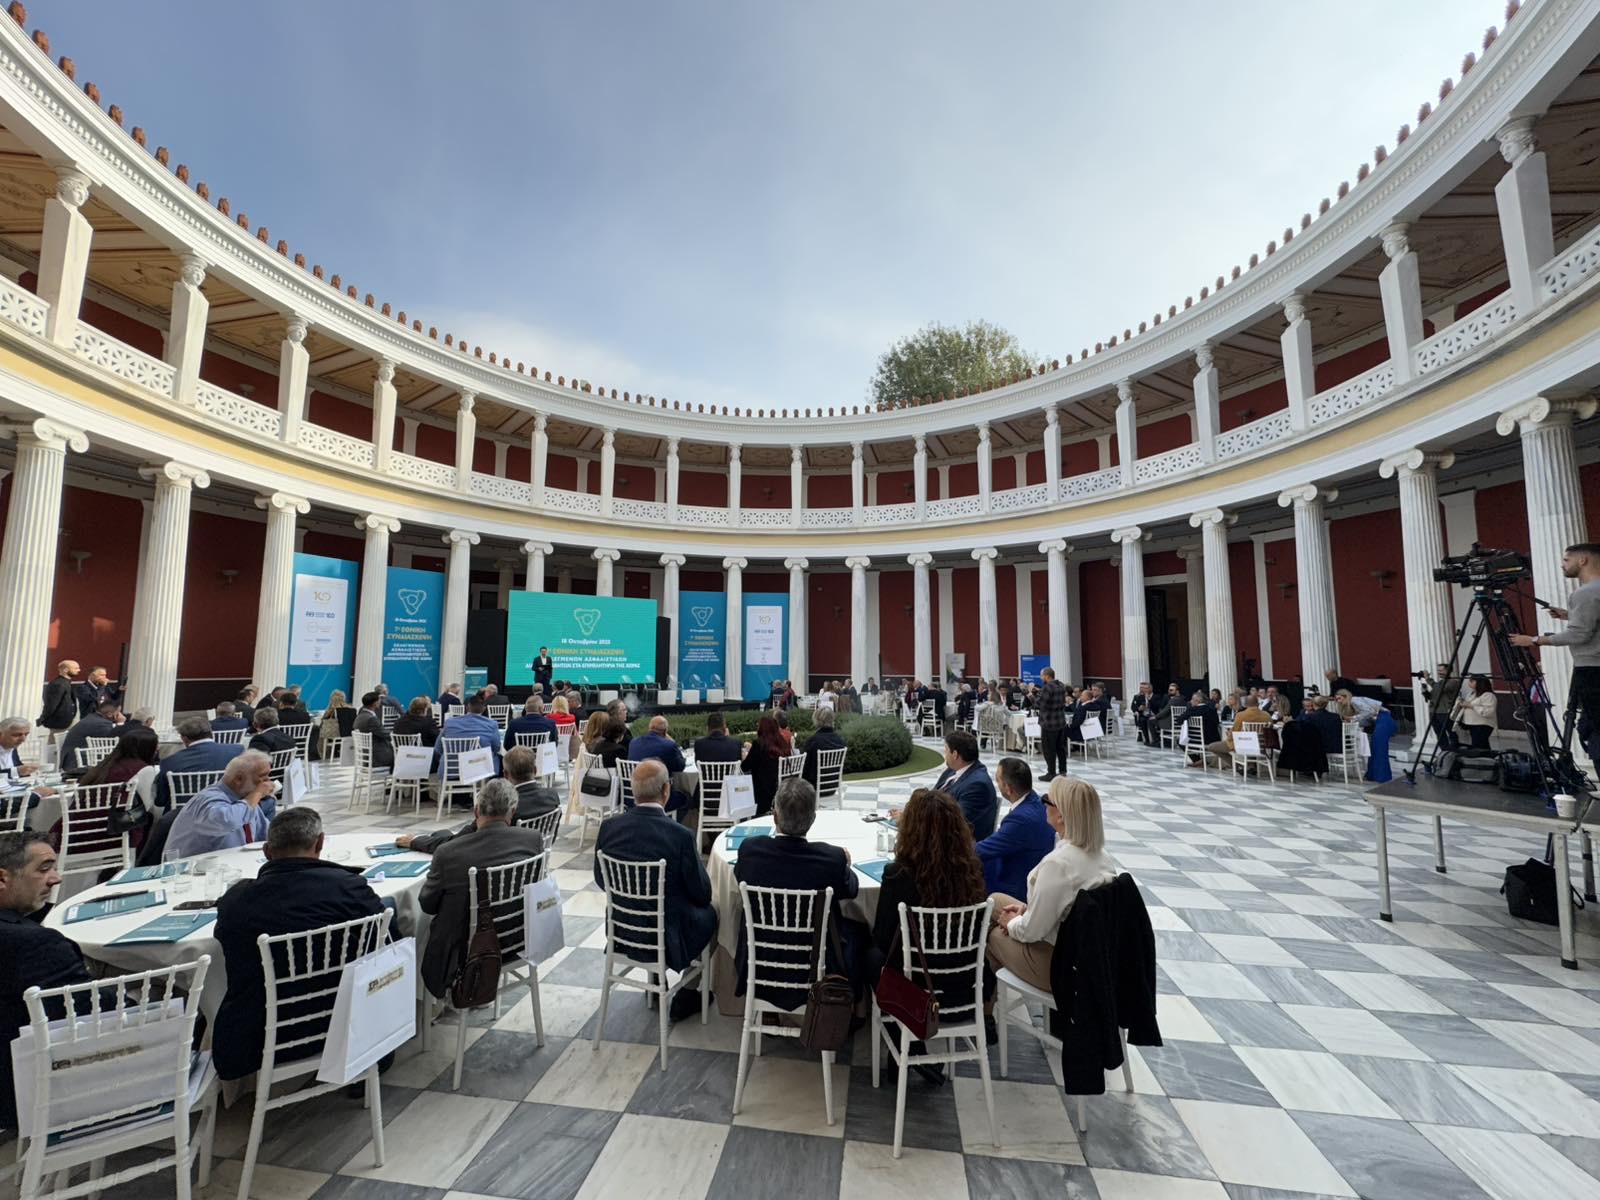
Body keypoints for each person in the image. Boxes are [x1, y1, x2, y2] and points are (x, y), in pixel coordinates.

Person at [211, 807, 384, 1080]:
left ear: (267, 851)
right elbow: (386, 943)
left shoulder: (237, 902)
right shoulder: (349, 888)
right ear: (320, 843)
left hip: (258, 1036)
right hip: (346, 1023)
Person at [868, 788, 987, 1083]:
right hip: (963, 983)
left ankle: (906, 1042)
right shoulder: (971, 872)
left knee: (869, 956)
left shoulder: (898, 875)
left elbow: (882, 938)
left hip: (914, 989)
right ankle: (911, 1048)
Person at [593, 760, 717, 1019]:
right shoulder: (680, 835)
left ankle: (656, 978)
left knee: (658, 904)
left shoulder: (609, 828)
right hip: (668, 937)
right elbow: (702, 894)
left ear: (633, 790)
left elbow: (601, 879)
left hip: (622, 929)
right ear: (666, 790)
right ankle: (688, 993)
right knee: (714, 914)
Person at [733, 778, 864, 1001]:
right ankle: (855, 1007)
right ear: (813, 819)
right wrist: (846, 865)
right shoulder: (831, 859)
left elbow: (738, 877)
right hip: (817, 964)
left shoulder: (750, 851)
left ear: (775, 816)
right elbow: (851, 890)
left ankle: (769, 1009)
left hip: (760, 960)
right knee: (859, 931)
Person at [986, 776, 1117, 998]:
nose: (1042, 804)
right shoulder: (1102, 857)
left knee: (991, 935)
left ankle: (988, 1008)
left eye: (1046, 800)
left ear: (1061, 815)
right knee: (996, 900)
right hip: (1085, 949)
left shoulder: (1059, 864)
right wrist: (1026, 911)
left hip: (1060, 964)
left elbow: (1031, 932)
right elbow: (1065, 905)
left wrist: (1013, 923)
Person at [417, 777, 546, 999]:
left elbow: (427, 905)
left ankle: (422, 1002)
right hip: (518, 938)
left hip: (467, 951)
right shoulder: (533, 840)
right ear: (512, 812)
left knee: (420, 930)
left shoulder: (448, 853)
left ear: (476, 811)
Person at [0, 831, 96, 1128]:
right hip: (33, 1091)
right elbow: (91, 1011)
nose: (56, 879)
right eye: (43, 869)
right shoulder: (36, 944)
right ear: (3, 878)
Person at [1512, 542, 1600, 754]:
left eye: (1566, 560)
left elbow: (1579, 634)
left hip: (1592, 670)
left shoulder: (1584, 593)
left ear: (1583, 560)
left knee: (1594, 731)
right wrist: (1570, 615)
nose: (1562, 565)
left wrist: (1534, 640)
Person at [401, 747, 559, 853]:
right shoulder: (552, 796)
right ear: (535, 770)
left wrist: (415, 841)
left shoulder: (503, 804)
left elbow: (457, 842)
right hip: (532, 857)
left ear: (505, 774)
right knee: (441, 834)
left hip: (493, 857)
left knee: (440, 835)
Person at [163, 750, 278, 858]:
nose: (267, 783)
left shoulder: (247, 800)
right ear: (238, 779)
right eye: (262, 778)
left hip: (233, 863)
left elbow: (267, 834)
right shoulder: (208, 798)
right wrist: (258, 793)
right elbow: (227, 821)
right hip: (189, 868)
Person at [975, 757, 1055, 900]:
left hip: (1014, 887)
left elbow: (981, 850)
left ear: (1008, 788)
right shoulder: (1038, 802)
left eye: (998, 780)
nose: (996, 783)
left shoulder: (1020, 820)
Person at [153, 715, 243, 809]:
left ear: (184, 739)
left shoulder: (169, 762)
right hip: (227, 808)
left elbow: (160, 800)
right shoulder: (237, 751)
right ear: (211, 733)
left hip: (183, 812)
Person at [930, 730, 997, 839]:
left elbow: (956, 822)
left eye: (946, 750)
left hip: (955, 841)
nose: (945, 754)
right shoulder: (952, 769)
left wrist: (916, 820)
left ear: (955, 754)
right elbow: (932, 796)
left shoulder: (978, 785)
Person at [628, 715, 689, 812]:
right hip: (660, 797)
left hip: (634, 795)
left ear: (649, 728)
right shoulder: (669, 746)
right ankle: (669, 821)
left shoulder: (633, 742)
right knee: (688, 798)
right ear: (665, 731)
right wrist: (673, 742)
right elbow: (680, 767)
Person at [58, 697, 122, 777]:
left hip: (70, 757)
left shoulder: (92, 718)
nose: (120, 715)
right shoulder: (101, 724)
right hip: (76, 761)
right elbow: (114, 740)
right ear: (109, 714)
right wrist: (121, 723)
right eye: (118, 712)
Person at [1206, 694, 1270, 769]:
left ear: (1246, 704)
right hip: (1261, 745)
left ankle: (1237, 766)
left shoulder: (1241, 715)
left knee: (1211, 747)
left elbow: (1234, 732)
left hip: (1244, 744)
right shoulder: (1267, 715)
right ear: (1258, 704)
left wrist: (1228, 734)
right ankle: (1251, 765)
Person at [742, 714, 786, 816]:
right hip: (780, 788)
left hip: (761, 793)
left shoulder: (759, 744)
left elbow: (745, 767)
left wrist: (745, 756)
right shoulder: (782, 742)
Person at [800, 705, 846, 789]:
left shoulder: (813, 741)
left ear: (817, 721)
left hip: (813, 787)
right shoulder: (840, 741)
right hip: (833, 785)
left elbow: (804, 766)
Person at [1037, 667, 1068, 781]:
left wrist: (1033, 696)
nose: (1041, 678)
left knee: (1049, 749)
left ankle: (1051, 772)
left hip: (1049, 722)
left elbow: (1040, 704)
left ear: (1046, 676)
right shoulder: (1061, 685)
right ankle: (1063, 770)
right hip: (1060, 721)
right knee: (1060, 748)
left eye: (1042, 676)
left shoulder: (1047, 687)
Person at [1422, 663, 1462, 752]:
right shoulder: (1439, 683)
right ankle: (1444, 750)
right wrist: (1425, 692)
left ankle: (1455, 750)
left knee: (1451, 731)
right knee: (1439, 733)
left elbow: (1442, 689)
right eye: (1438, 670)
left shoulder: (1454, 682)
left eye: (1441, 670)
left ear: (1449, 671)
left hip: (1445, 711)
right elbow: (1432, 696)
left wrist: (1428, 679)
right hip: (1434, 711)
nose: (1439, 672)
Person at [1452, 674, 1497, 750]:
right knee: (1479, 745)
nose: (1469, 683)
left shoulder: (1488, 695)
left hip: (1482, 725)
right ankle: (1486, 756)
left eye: (1472, 681)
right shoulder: (1472, 693)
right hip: (1472, 724)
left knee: (1479, 744)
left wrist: (1471, 706)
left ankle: (1485, 756)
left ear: (1479, 682)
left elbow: (1488, 711)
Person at [352, 690, 396, 769]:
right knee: (402, 755)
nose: (380, 702)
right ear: (375, 703)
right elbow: (385, 735)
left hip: (367, 756)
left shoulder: (360, 716)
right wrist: (396, 734)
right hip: (377, 757)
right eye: (379, 700)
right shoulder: (371, 719)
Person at [38, 659, 79, 736]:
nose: (79, 670)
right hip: (58, 723)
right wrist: (43, 718)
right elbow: (51, 705)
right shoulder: (58, 684)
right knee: (55, 742)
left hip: (65, 722)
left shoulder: (65, 683)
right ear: (65, 670)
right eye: (76, 668)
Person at [1182, 691, 1223, 767]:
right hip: (1213, 739)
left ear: (1197, 701)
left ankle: (1198, 760)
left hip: (1197, 739)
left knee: (1181, 741)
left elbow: (1179, 720)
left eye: (1192, 699)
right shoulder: (1212, 710)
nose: (1191, 701)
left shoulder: (1191, 710)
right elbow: (1217, 722)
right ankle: (1202, 761)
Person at [1365, 704, 1397, 782]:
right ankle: (1375, 775)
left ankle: (1381, 776)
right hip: (1380, 722)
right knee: (1375, 749)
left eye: (1339, 698)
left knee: (1379, 750)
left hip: (1382, 722)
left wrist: (1355, 718)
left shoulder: (1356, 702)